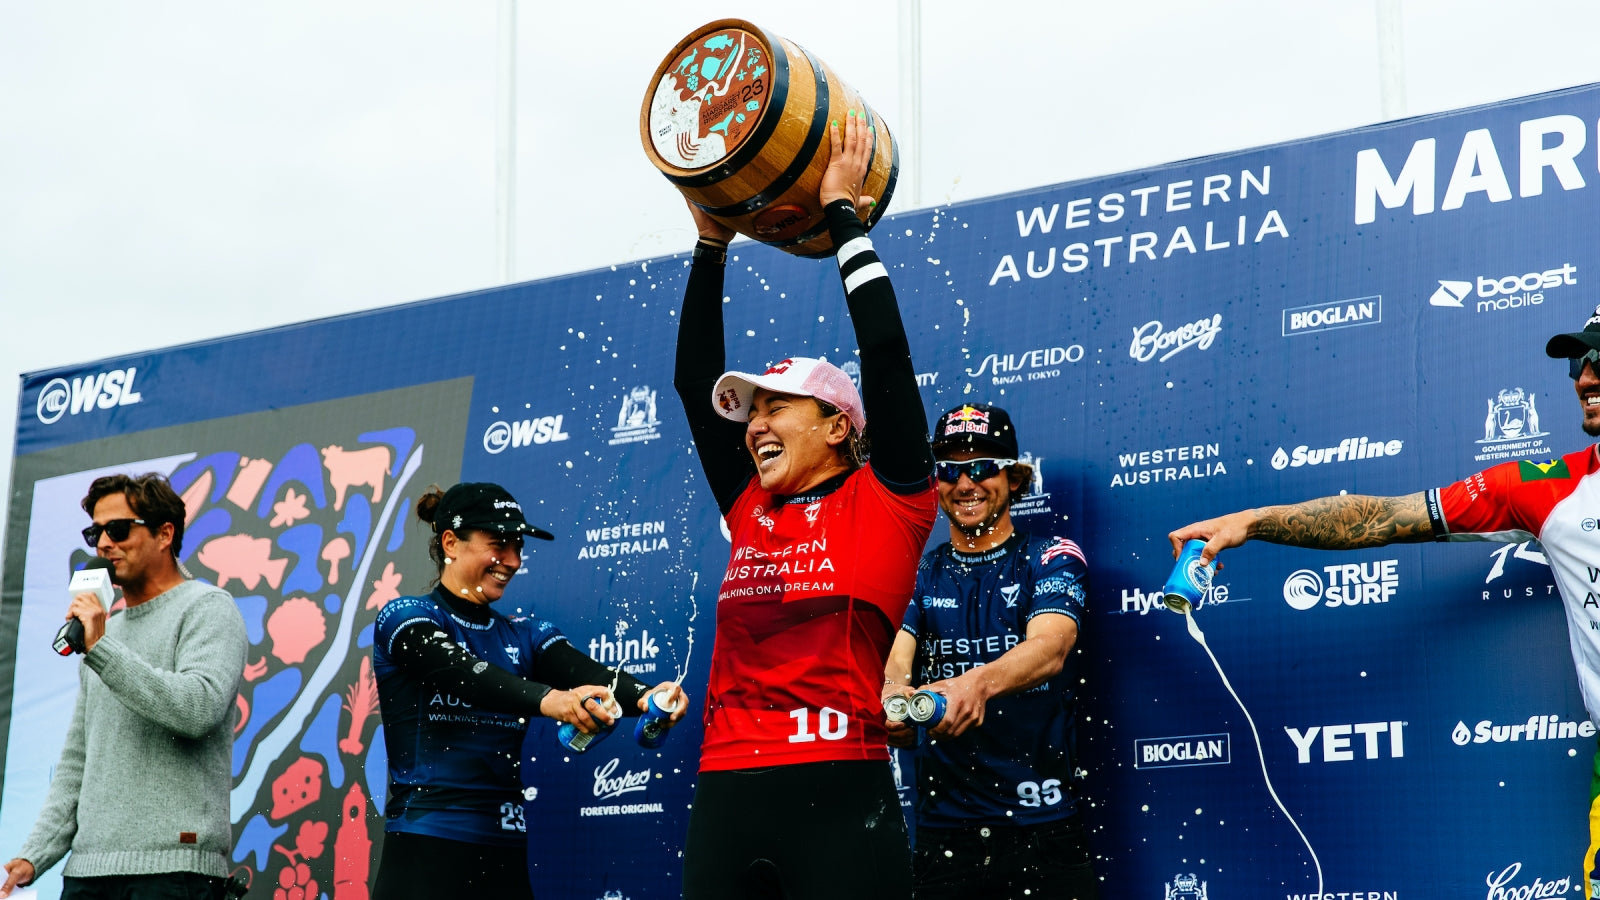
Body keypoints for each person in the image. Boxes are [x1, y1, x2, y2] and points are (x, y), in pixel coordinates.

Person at [1168, 305, 1600, 898]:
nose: (1585, 378)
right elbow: (1383, 518)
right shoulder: (1546, 486)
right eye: (1580, 361)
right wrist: (1255, 519)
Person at [673, 111, 937, 900]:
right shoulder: (748, 505)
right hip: (726, 789)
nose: (755, 424)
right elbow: (695, 384)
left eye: (776, 406)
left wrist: (844, 217)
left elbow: (886, 355)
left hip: (838, 789)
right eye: (750, 412)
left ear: (836, 425)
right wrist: (709, 243)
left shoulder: (891, 499)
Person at [370, 482, 688, 900]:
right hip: (426, 849)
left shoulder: (526, 634)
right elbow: (465, 674)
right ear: (451, 542)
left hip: (505, 853)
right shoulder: (406, 618)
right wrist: (553, 700)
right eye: (499, 544)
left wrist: (648, 697)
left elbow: (586, 672)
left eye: (518, 547)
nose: (513, 561)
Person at [884, 404, 1098, 900]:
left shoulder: (1052, 555)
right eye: (951, 470)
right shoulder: (915, 573)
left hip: (1045, 826)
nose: (966, 483)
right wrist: (893, 701)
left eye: (982, 467)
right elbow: (895, 661)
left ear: (1014, 478)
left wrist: (975, 684)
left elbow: (1050, 648)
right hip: (944, 835)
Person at [1, 473, 247, 900]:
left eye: (118, 529)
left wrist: (101, 649)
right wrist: (34, 855)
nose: (103, 544)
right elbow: (80, 760)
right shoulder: (102, 633)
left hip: (174, 872)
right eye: (95, 532)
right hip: (87, 875)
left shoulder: (208, 608)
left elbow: (197, 709)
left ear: (164, 533)